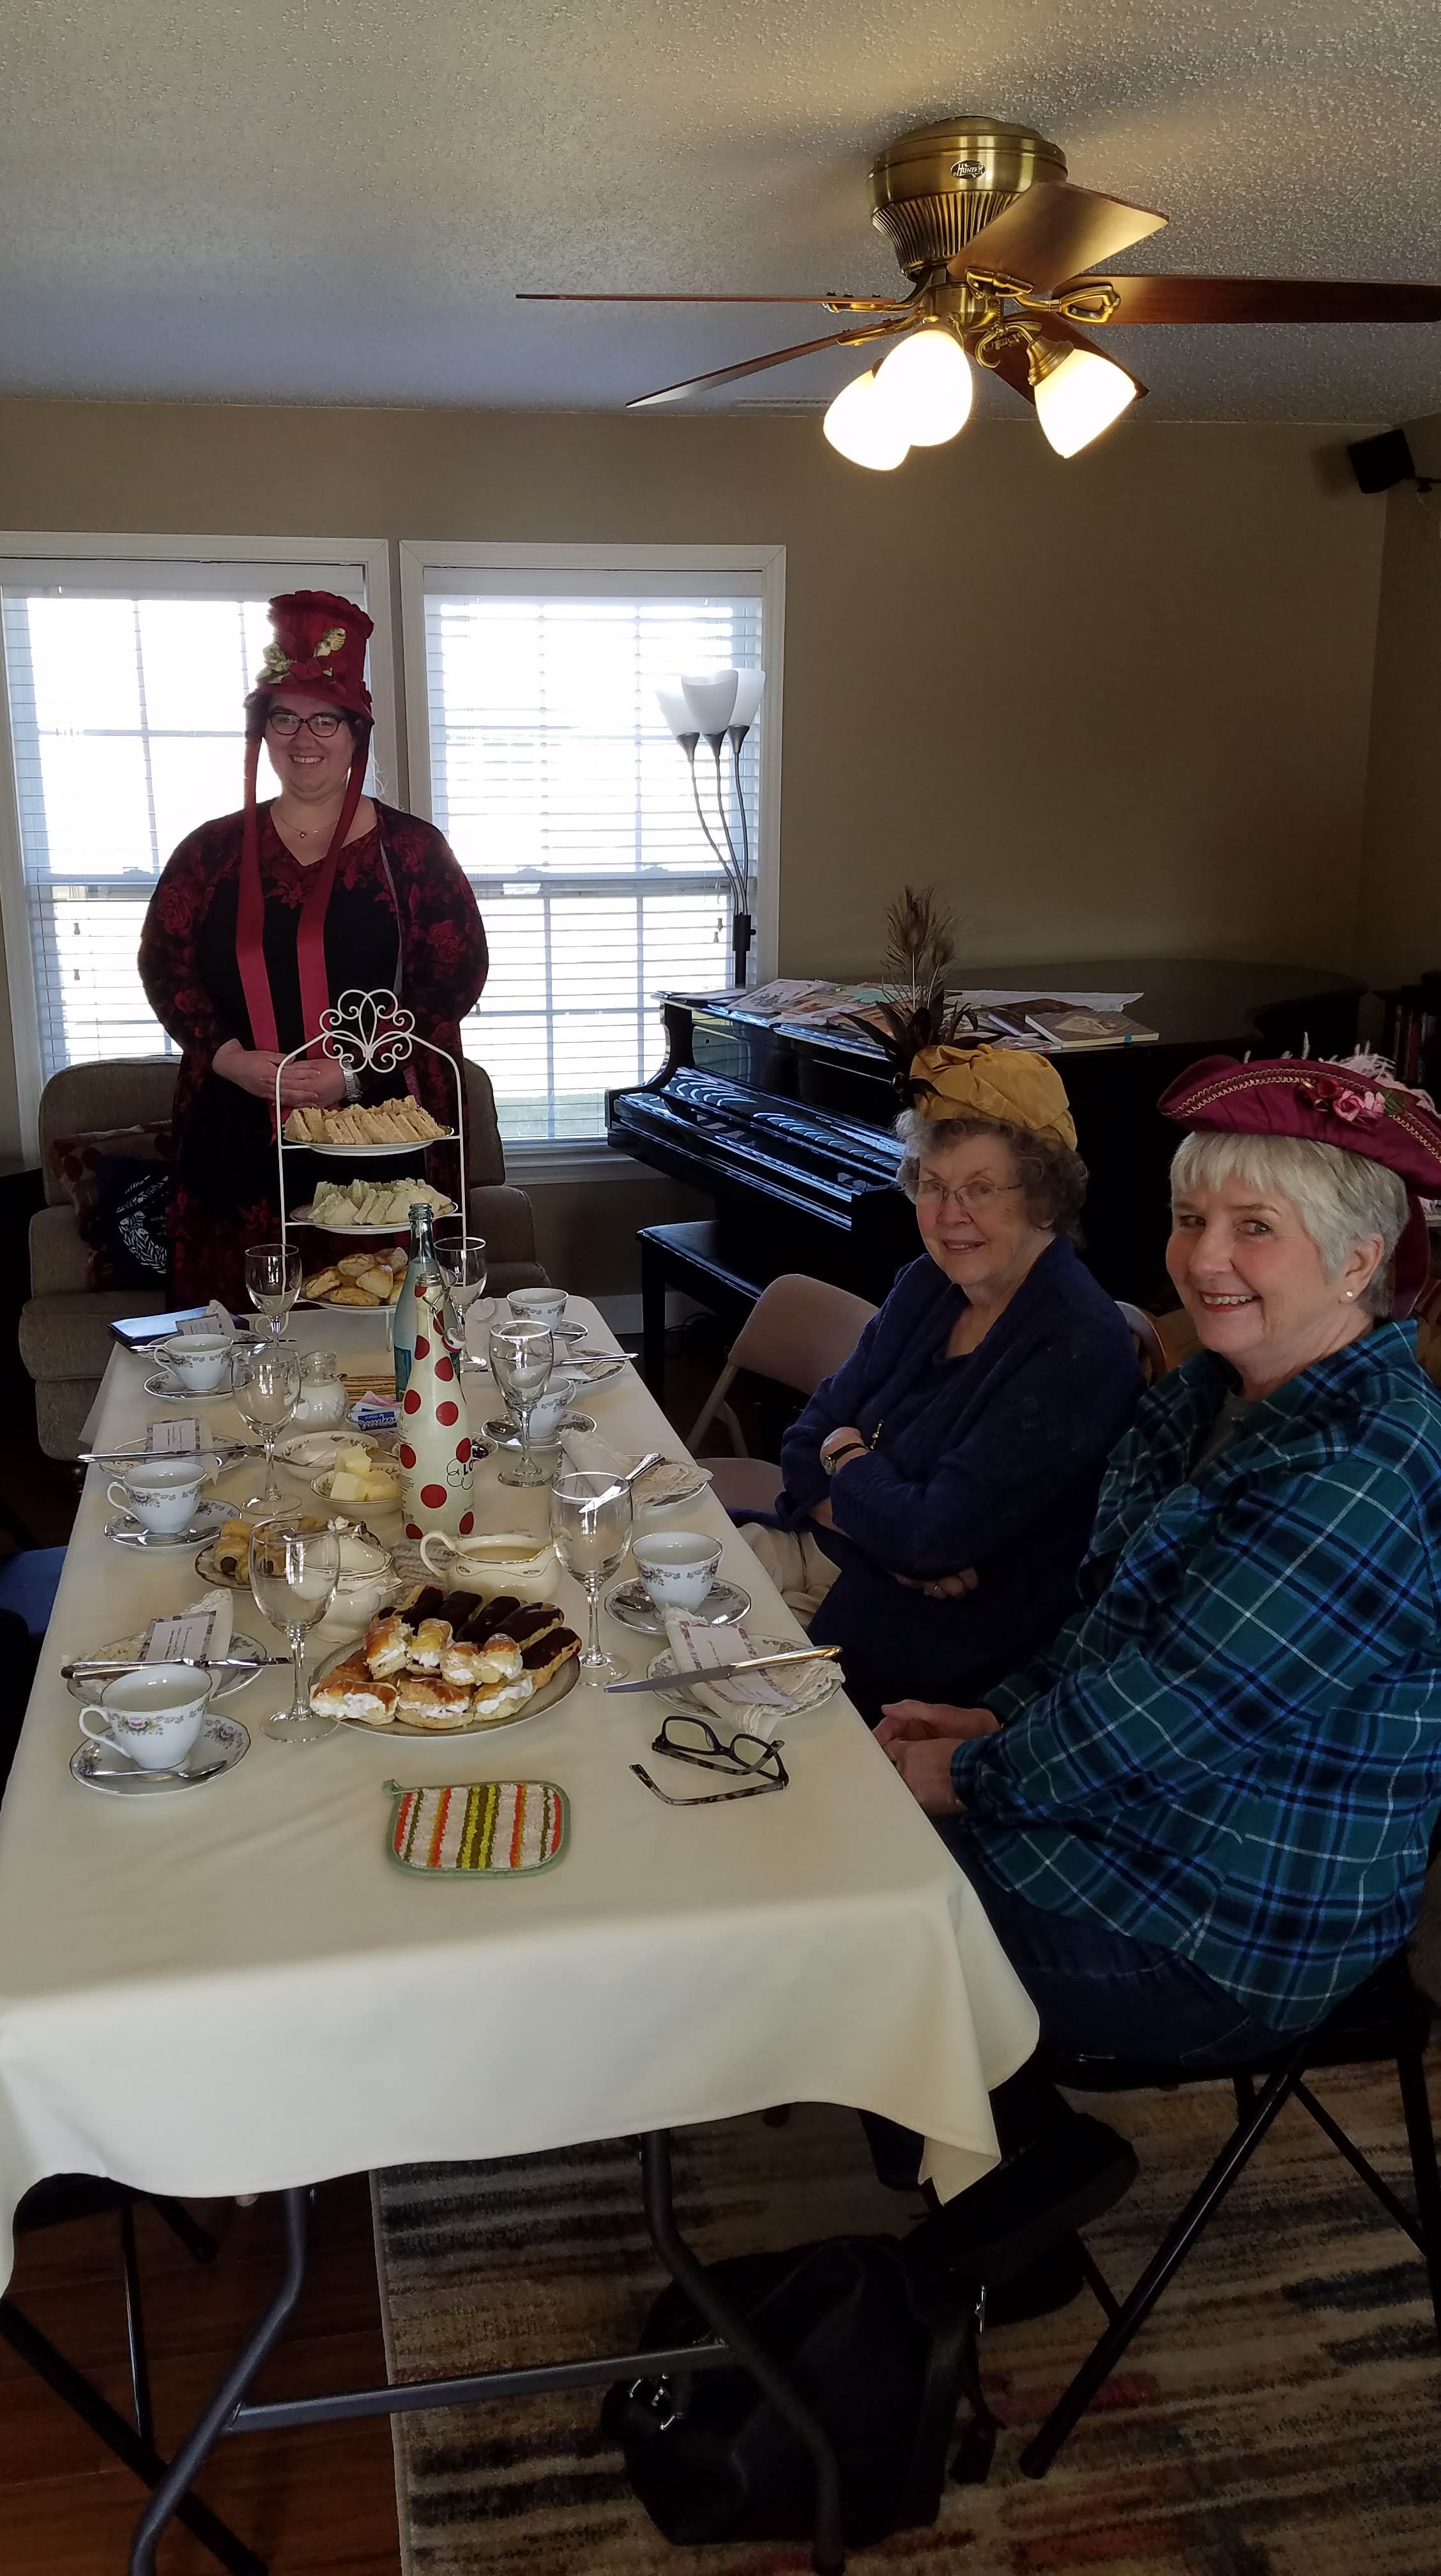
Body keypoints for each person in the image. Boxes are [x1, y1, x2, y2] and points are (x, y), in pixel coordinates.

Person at [881, 1052, 1441, 2066]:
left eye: (1254, 1227)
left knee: (867, 1931)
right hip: (1138, 1830)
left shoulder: (1365, 1467)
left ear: (1358, 1261)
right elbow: (1111, 1629)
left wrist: (972, 1772)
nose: (1203, 1258)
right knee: (853, 1864)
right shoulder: (1205, 1398)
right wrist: (999, 1715)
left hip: (1233, 1922)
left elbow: (1174, 1710)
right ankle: (1005, 2142)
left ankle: (1020, 2158)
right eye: (1190, 1219)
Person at [755, 1046, 1141, 1722]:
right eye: (932, 1185)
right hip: (835, 1557)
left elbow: (929, 1538)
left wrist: (846, 1456)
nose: (948, 1214)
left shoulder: (1075, 1346)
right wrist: (884, 1528)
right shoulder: (930, 1283)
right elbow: (803, 1442)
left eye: (981, 1189)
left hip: (920, 1636)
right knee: (628, 1597)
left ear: (1044, 1199)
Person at [138, 592, 487, 1307]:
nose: (305, 738)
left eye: (325, 718)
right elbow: (164, 965)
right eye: (285, 718)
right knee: (248, 1330)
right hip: (238, 1128)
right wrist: (229, 1059)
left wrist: (351, 1074)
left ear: (356, 732)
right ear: (262, 732)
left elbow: (454, 976)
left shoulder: (414, 852)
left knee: (380, 1324)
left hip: (377, 1130)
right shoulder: (207, 854)